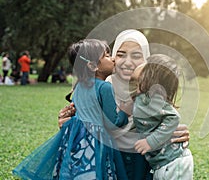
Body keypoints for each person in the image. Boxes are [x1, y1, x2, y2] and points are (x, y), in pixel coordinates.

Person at [58, 29, 190, 180]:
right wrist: (65, 122)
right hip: (106, 160)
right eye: (120, 55)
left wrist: (177, 133)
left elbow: (171, 123)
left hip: (141, 162)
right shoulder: (99, 87)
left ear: (146, 60)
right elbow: (78, 125)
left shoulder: (152, 93)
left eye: (136, 56)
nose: (127, 62)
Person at [13, 39, 129, 179]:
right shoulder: (105, 87)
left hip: (75, 136)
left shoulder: (78, 86)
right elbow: (113, 122)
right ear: (92, 66)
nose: (113, 59)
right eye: (106, 55)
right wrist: (124, 111)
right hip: (96, 141)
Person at [130, 54, 194, 180]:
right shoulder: (144, 98)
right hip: (164, 164)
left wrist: (150, 141)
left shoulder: (151, 98)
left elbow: (174, 117)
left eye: (145, 66)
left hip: (173, 163)